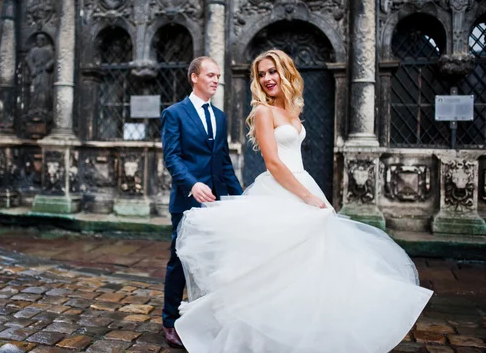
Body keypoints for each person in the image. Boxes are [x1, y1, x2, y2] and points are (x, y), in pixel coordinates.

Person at [173, 50, 433, 353]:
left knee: (314, 267)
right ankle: (263, 337)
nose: (267, 79)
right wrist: (307, 195)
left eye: (273, 71)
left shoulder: (294, 110)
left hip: (301, 182)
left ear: (285, 72)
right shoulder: (263, 112)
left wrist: (309, 192)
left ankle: (307, 334)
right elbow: (273, 162)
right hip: (281, 190)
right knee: (274, 270)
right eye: (261, 74)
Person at [161, 56, 243, 349]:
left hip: (216, 204)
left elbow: (222, 162)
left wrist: (239, 199)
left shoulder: (220, 117)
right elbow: (172, 157)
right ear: (194, 77)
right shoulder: (174, 114)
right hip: (186, 201)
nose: (215, 80)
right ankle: (170, 321)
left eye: (218, 76)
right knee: (180, 261)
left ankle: (204, 317)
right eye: (210, 74)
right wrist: (192, 184)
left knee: (215, 261)